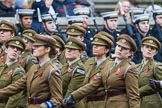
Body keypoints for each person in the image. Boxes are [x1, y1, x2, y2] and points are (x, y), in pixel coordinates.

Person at [64, 34, 140, 108]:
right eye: (119, 46)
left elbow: (133, 96)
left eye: (124, 48)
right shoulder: (109, 66)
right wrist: (73, 96)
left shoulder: (129, 69)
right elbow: (93, 84)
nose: (120, 49)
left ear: (130, 53)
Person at [0, 34, 63, 108]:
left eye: (37, 46)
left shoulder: (52, 71)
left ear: (47, 49)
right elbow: (17, 86)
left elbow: (58, 99)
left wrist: (44, 106)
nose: (34, 48)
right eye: (34, 46)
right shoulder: (34, 68)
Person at [82, 31, 114, 108]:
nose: (95, 47)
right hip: (85, 103)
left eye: (99, 45)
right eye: (94, 45)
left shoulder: (111, 65)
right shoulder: (89, 62)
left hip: (100, 104)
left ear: (106, 50)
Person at [135, 36, 162, 108]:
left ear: (155, 52)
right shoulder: (136, 67)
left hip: (152, 103)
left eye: (152, 48)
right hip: (138, 102)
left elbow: (158, 84)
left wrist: (135, 93)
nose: (149, 50)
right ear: (142, 49)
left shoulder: (157, 66)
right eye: (147, 47)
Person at [0, 37, 26, 108]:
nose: (15, 50)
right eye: (12, 47)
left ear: (20, 54)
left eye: (18, 49)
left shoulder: (18, 71)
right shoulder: (1, 65)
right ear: (6, 50)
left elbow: (14, 98)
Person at [61, 37, 86, 108]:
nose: (68, 50)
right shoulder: (66, 65)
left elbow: (71, 91)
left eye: (73, 49)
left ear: (80, 52)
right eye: (67, 48)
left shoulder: (79, 69)